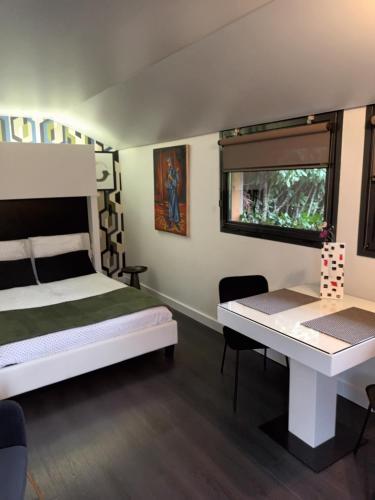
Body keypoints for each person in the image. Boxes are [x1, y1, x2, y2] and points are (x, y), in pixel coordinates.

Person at [166, 157, 180, 229]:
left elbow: (177, 182)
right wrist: (167, 184)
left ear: (172, 163)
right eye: (168, 163)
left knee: (174, 205)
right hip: (169, 189)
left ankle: (176, 220)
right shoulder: (168, 170)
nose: (168, 164)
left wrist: (171, 178)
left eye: (169, 162)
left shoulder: (175, 171)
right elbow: (167, 181)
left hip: (173, 190)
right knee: (170, 205)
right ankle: (171, 220)